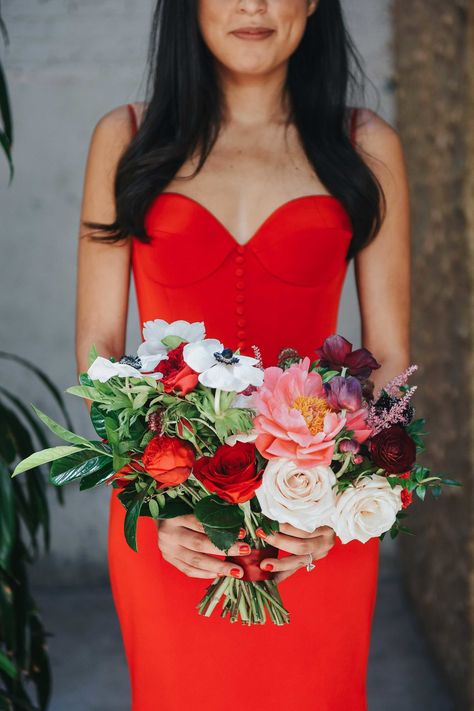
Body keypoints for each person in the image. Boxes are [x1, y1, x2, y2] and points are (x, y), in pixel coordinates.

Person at [75, 1, 410, 709]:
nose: (253, 5)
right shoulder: (126, 138)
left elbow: (389, 358)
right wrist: (157, 499)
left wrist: (331, 505)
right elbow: (98, 349)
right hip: (171, 522)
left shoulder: (364, 144)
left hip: (314, 526)